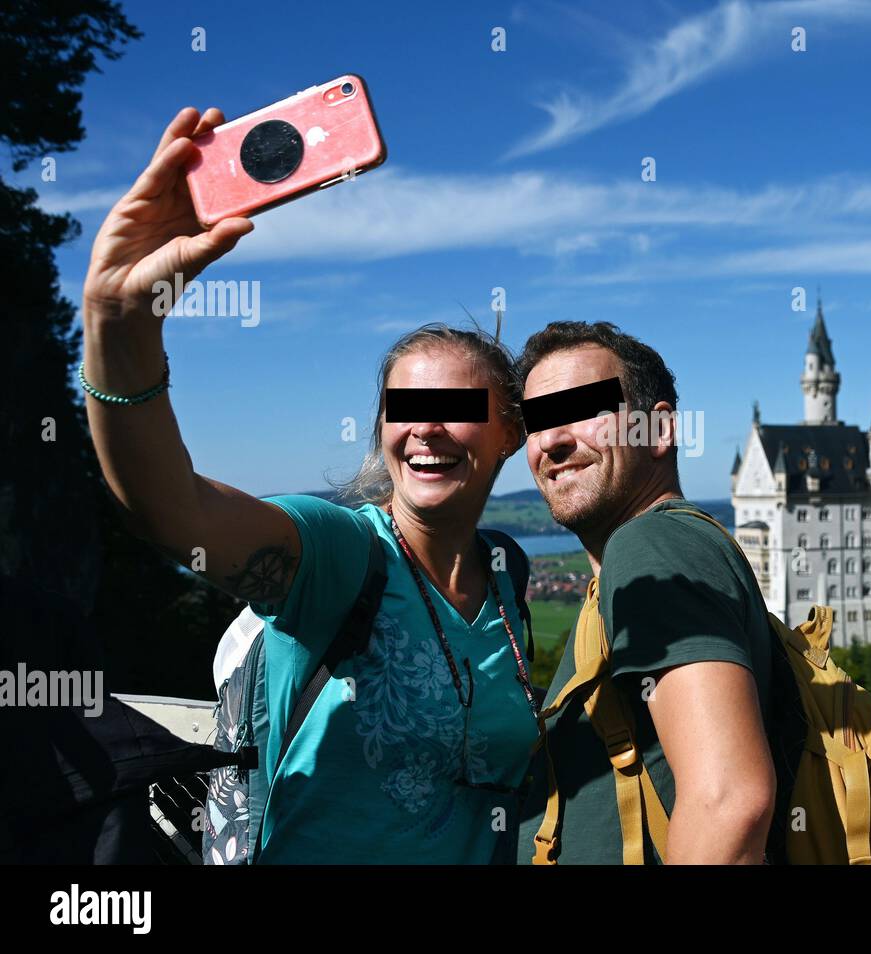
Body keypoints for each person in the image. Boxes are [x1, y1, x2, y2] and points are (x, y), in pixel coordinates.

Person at [79, 107, 537, 863]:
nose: (424, 429)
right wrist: (119, 328)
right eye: (404, 409)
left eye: (456, 409)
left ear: (509, 435)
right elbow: (171, 511)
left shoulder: (506, 576)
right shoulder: (339, 553)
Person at [514, 321, 776, 864]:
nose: (553, 441)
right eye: (538, 422)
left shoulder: (652, 543)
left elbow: (729, 800)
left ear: (657, 432)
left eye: (586, 410)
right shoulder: (635, 562)